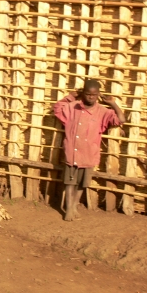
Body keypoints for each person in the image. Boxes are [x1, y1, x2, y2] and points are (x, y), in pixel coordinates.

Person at [53, 79, 125, 221]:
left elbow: (121, 119)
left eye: (94, 94)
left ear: (98, 94)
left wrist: (112, 103)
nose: (90, 97)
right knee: (69, 182)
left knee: (82, 183)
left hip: (89, 154)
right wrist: (71, 96)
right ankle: (69, 209)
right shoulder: (73, 107)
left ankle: (74, 206)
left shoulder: (103, 112)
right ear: (83, 93)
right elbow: (57, 108)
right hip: (72, 152)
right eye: (87, 94)